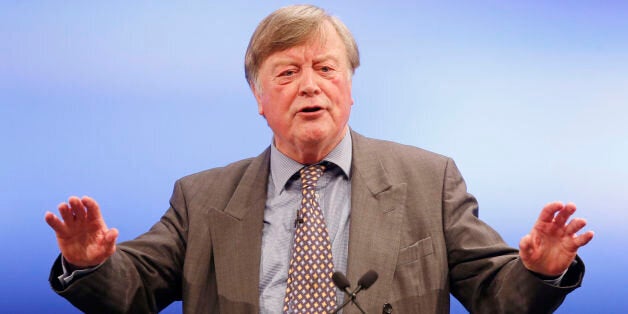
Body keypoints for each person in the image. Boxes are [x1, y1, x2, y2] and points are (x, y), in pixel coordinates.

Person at [45, 4, 594, 314]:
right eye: (287, 73)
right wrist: (89, 264)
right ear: (259, 99)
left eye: (326, 69)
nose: (310, 86)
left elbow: (498, 295)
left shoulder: (430, 180)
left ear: (350, 87)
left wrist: (541, 272)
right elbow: (133, 290)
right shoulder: (201, 197)